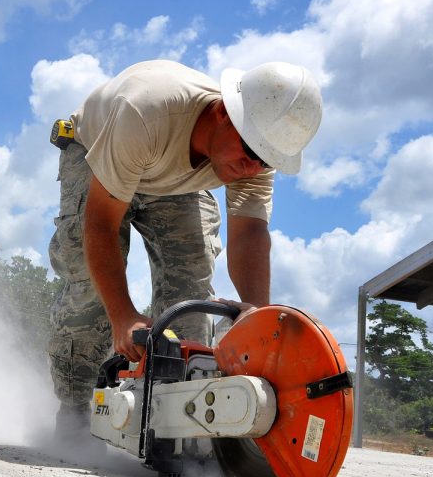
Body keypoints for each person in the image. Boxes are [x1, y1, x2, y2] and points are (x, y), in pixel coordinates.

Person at [46, 59, 322, 435]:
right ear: (225, 112)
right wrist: (124, 316)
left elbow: (249, 233)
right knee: (93, 293)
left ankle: (175, 422)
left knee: (190, 294)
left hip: (176, 177)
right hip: (100, 152)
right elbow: (100, 223)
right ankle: (76, 415)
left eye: (265, 161)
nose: (252, 168)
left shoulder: (256, 150)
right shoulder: (145, 112)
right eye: (249, 153)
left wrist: (257, 316)